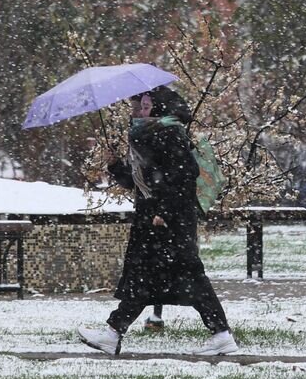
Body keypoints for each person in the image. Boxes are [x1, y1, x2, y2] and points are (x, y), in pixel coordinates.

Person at [78, 86, 238, 356]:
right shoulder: (149, 135)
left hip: (167, 222)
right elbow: (141, 183)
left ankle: (221, 335)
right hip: (155, 220)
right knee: (146, 279)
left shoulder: (168, 133)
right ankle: (113, 333)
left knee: (182, 277)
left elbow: (184, 175)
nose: (136, 111)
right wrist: (115, 166)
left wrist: (163, 211)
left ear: (155, 106)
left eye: (142, 105)